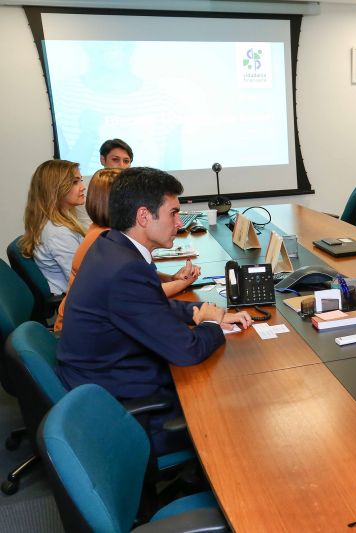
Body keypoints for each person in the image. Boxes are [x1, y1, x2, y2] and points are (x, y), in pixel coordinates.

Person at [57, 167, 253, 455]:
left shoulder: (112, 246)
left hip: (96, 375)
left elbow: (150, 307)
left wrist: (206, 310)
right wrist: (211, 324)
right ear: (144, 216)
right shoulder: (125, 268)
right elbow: (186, 350)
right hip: (115, 399)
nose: (179, 221)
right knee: (234, 402)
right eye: (173, 213)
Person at [53, 168, 201, 332]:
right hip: (79, 332)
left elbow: (142, 281)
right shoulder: (106, 240)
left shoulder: (110, 236)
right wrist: (182, 283)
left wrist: (171, 278)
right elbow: (144, 294)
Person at [19, 160, 86, 295]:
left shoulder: (57, 222)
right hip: (73, 299)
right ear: (55, 188)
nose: (82, 187)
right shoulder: (59, 233)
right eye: (75, 182)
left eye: (81, 181)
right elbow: (84, 282)